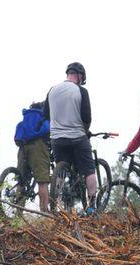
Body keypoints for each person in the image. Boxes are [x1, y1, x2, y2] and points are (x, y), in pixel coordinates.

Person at [43, 62, 97, 215]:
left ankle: (55, 201)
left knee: (60, 169)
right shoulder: (81, 91)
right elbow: (87, 117)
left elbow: (46, 114)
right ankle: (92, 206)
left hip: (57, 139)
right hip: (77, 137)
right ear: (80, 76)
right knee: (88, 169)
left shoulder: (52, 90)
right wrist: (84, 131)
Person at [14, 101, 51, 212]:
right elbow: (49, 132)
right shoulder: (44, 119)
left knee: (21, 180)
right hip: (38, 147)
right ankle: (44, 211)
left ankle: (18, 212)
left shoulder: (24, 120)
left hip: (23, 148)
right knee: (42, 181)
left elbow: (17, 138)